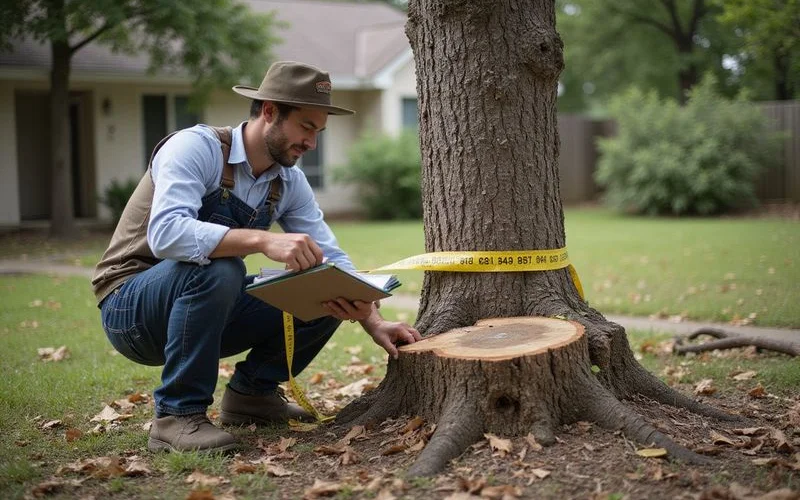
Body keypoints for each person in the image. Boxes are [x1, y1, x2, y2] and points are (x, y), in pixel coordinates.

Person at [92, 61, 421, 453]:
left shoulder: (287, 180)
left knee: (320, 286)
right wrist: (262, 242)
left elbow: (330, 255)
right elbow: (165, 235)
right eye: (307, 127)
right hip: (131, 309)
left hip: (200, 310)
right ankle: (176, 416)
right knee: (221, 268)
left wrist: (374, 321)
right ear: (269, 112)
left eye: (319, 131)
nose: (312, 143)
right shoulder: (194, 148)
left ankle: (252, 398)